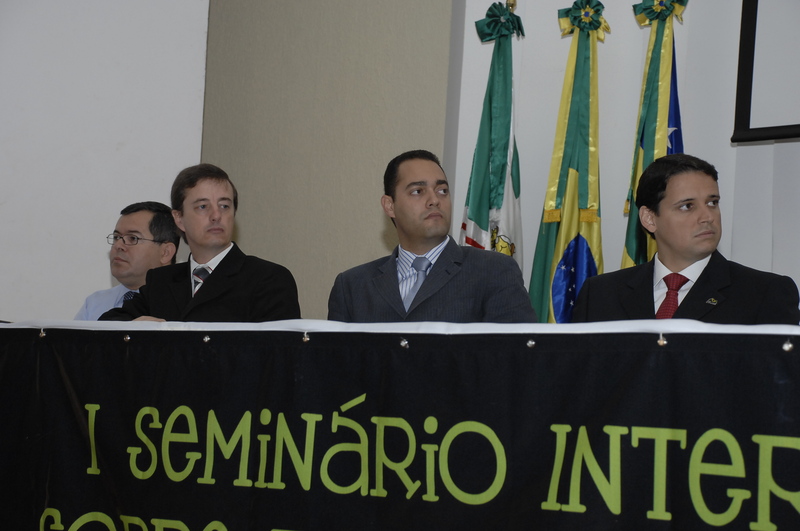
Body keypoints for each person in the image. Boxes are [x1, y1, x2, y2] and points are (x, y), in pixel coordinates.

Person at [572, 153, 800, 324]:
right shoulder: (600, 294)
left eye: (712, 202)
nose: (707, 217)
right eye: (687, 206)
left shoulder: (764, 292)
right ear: (649, 219)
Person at [327, 149, 536, 323]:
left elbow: (514, 356)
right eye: (418, 191)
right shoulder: (352, 287)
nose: (434, 200)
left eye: (442, 190)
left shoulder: (493, 271)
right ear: (389, 206)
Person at [100, 163, 301, 322]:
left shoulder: (268, 278)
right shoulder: (161, 281)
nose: (216, 215)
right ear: (179, 219)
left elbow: (278, 355)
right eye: (203, 206)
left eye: (224, 206)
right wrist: (138, 329)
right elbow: (106, 326)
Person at [75, 202, 179, 320]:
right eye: (116, 237)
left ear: (165, 252)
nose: (118, 245)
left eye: (133, 238)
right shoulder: (94, 304)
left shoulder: (182, 304)